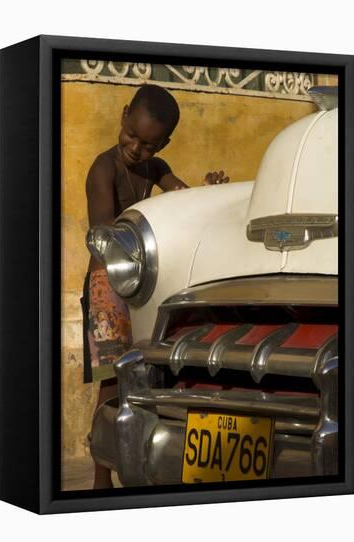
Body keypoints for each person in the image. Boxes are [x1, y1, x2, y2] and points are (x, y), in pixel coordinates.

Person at [82, 84, 229, 489]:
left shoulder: (156, 167)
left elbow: (180, 197)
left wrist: (206, 190)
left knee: (141, 372)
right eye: (132, 136)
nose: (136, 149)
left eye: (148, 145)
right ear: (124, 115)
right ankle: (99, 476)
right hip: (108, 286)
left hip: (141, 286)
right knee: (112, 381)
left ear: (163, 142)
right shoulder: (103, 169)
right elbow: (106, 236)